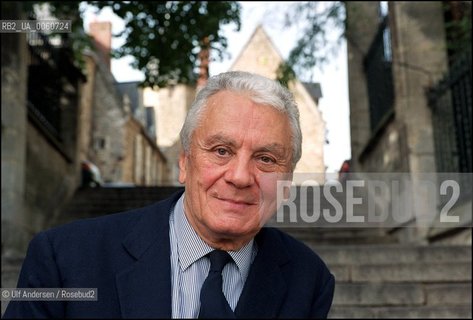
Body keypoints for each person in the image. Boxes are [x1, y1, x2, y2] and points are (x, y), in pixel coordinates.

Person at [4, 71, 335, 318]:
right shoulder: (65, 261)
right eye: (221, 150)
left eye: (266, 159)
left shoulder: (308, 280)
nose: (239, 176)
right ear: (184, 163)